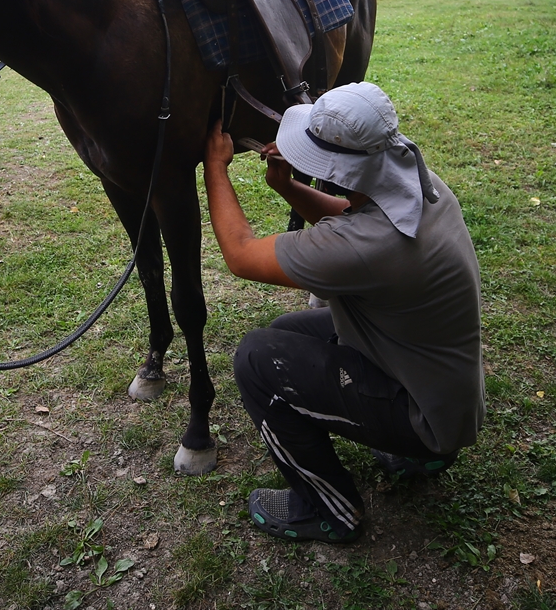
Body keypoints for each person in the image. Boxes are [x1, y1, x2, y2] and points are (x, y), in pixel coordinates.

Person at [202, 82, 484, 543]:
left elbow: (240, 254)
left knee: (257, 359)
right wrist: (286, 185)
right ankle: (422, 455)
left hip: (423, 415)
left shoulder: (364, 248)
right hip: (442, 388)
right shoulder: (420, 184)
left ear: (339, 169)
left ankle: (329, 510)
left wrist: (216, 168)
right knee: (288, 330)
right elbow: (352, 220)